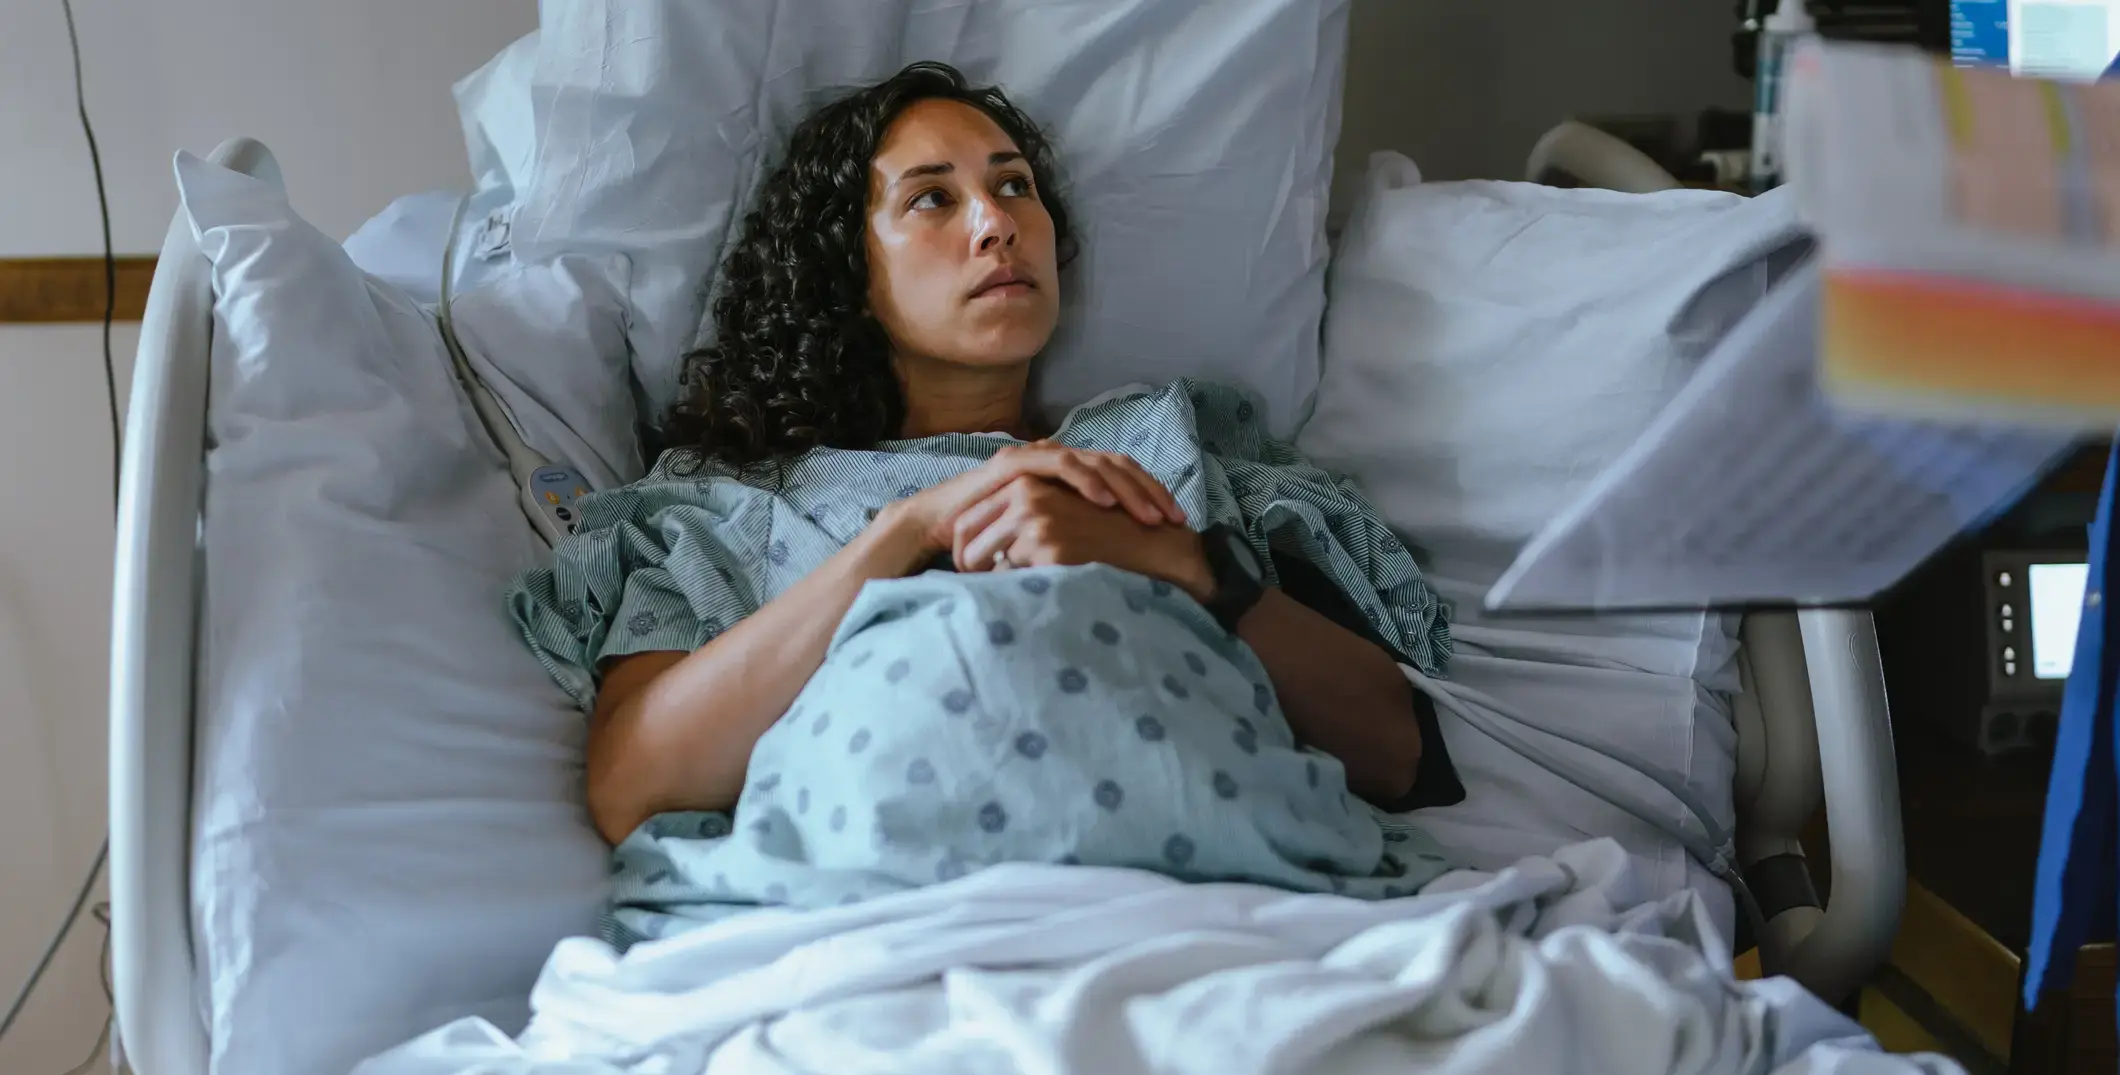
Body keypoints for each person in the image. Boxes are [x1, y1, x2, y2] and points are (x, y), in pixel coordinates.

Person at [510, 62, 1458, 859]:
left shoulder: (1167, 449)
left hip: (1199, 891)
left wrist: (1177, 562)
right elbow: (631, 785)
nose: (995, 223)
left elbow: (1395, 753)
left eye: (1013, 187)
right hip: (883, 909)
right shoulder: (734, 513)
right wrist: (912, 529)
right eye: (932, 198)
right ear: (846, 267)